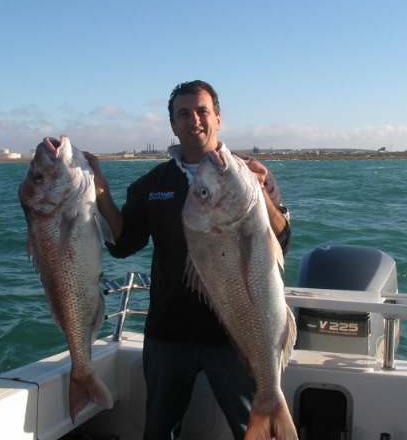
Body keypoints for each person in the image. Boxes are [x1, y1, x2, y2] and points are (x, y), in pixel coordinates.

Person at [84, 80, 291, 440]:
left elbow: (282, 239)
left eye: (202, 111)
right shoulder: (152, 183)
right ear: (173, 125)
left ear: (218, 118)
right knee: (159, 429)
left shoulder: (249, 173)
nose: (194, 119)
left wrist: (263, 196)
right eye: (184, 114)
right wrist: (99, 186)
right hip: (169, 330)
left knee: (248, 428)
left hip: (237, 335)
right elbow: (122, 242)